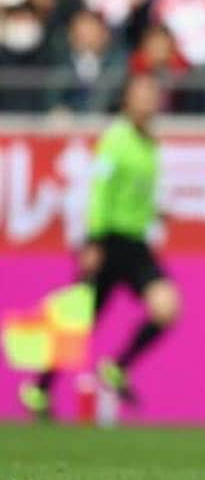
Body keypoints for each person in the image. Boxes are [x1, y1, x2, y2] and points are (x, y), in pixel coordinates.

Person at [19, 74, 180, 416]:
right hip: (108, 242)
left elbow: (135, 191)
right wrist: (93, 241)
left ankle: (118, 367)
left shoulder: (149, 141)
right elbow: (100, 191)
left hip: (135, 245)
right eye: (141, 93)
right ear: (126, 100)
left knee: (166, 307)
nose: (149, 99)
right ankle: (38, 390)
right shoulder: (116, 138)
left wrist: (156, 212)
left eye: (153, 93)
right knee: (78, 323)